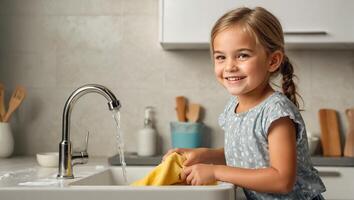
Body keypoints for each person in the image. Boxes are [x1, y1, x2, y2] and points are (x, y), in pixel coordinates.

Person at [163, 7, 326, 200]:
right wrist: (204, 155)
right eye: (221, 57)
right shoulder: (233, 107)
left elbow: (282, 180)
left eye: (242, 55)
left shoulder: (276, 112)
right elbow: (247, 156)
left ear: (273, 61)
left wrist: (215, 172)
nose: (230, 66)